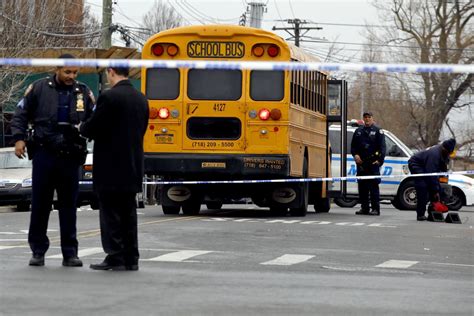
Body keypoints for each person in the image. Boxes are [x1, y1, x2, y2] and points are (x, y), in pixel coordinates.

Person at [11, 54, 95, 267]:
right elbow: (20, 113)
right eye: (67, 72)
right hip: (44, 153)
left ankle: (70, 253)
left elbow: (95, 118)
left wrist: (91, 132)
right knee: (40, 205)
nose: (71, 76)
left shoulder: (83, 92)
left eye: (75, 73)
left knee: (68, 207)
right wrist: (19, 138)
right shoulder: (39, 88)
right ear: (57, 70)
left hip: (70, 155)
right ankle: (38, 251)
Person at [80, 67, 149, 271]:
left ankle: (115, 255)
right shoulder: (141, 99)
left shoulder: (109, 98)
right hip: (133, 163)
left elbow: (94, 126)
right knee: (129, 213)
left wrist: (81, 128)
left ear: (111, 72)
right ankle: (131, 257)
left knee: (110, 213)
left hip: (110, 165)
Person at [408, 138, 456, 221]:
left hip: (427, 167)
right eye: (449, 152)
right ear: (445, 149)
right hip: (416, 164)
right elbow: (431, 173)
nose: (449, 154)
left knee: (436, 188)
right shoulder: (434, 155)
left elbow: (442, 169)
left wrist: (438, 189)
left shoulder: (444, 153)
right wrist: (435, 190)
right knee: (423, 187)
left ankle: (433, 212)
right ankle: (420, 214)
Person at [350, 111, 386, 216]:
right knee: (362, 187)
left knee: (373, 187)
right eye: (365, 117)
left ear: (372, 118)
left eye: (369, 117)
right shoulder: (358, 131)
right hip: (361, 163)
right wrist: (355, 155)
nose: (367, 119)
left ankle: (375, 209)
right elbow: (353, 147)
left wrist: (379, 161)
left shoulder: (378, 131)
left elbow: (382, 148)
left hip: (373, 163)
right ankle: (364, 208)